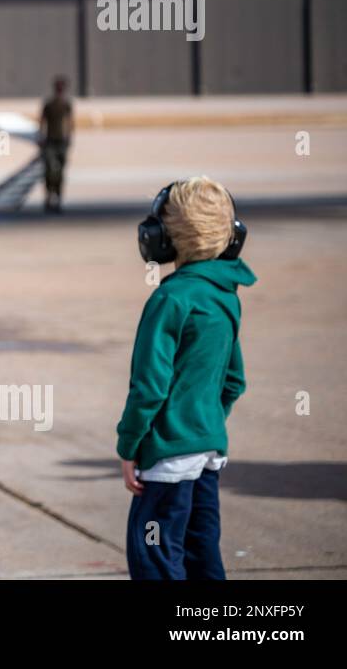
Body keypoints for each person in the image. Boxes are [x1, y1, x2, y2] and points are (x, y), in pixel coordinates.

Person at [117, 176, 255, 580]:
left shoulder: (170, 299)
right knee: (200, 553)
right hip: (209, 452)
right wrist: (203, 423)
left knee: (154, 558)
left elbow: (149, 388)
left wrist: (129, 445)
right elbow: (234, 381)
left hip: (166, 459)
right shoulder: (225, 295)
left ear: (164, 236)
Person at [38, 74, 73, 212]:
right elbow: (42, 121)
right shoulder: (49, 104)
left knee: (60, 173)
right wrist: (41, 137)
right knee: (49, 171)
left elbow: (70, 122)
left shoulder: (66, 104)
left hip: (62, 142)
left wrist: (70, 138)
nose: (60, 90)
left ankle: (57, 198)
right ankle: (49, 197)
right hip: (50, 141)